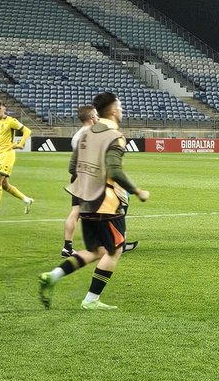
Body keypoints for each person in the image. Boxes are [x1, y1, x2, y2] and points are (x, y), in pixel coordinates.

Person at [39, 92, 150, 310]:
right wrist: (137, 191)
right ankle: (91, 300)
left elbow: (72, 168)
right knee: (114, 250)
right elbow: (115, 170)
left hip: (85, 200)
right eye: (120, 106)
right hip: (106, 203)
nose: (122, 109)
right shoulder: (115, 136)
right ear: (113, 111)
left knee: (96, 251)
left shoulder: (85, 134)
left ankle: (53, 276)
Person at [62, 105, 138, 256]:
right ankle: (117, 242)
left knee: (76, 211)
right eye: (96, 115)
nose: (98, 118)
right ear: (91, 117)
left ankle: (67, 247)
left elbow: (74, 163)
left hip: (79, 177)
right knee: (119, 203)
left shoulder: (77, 136)